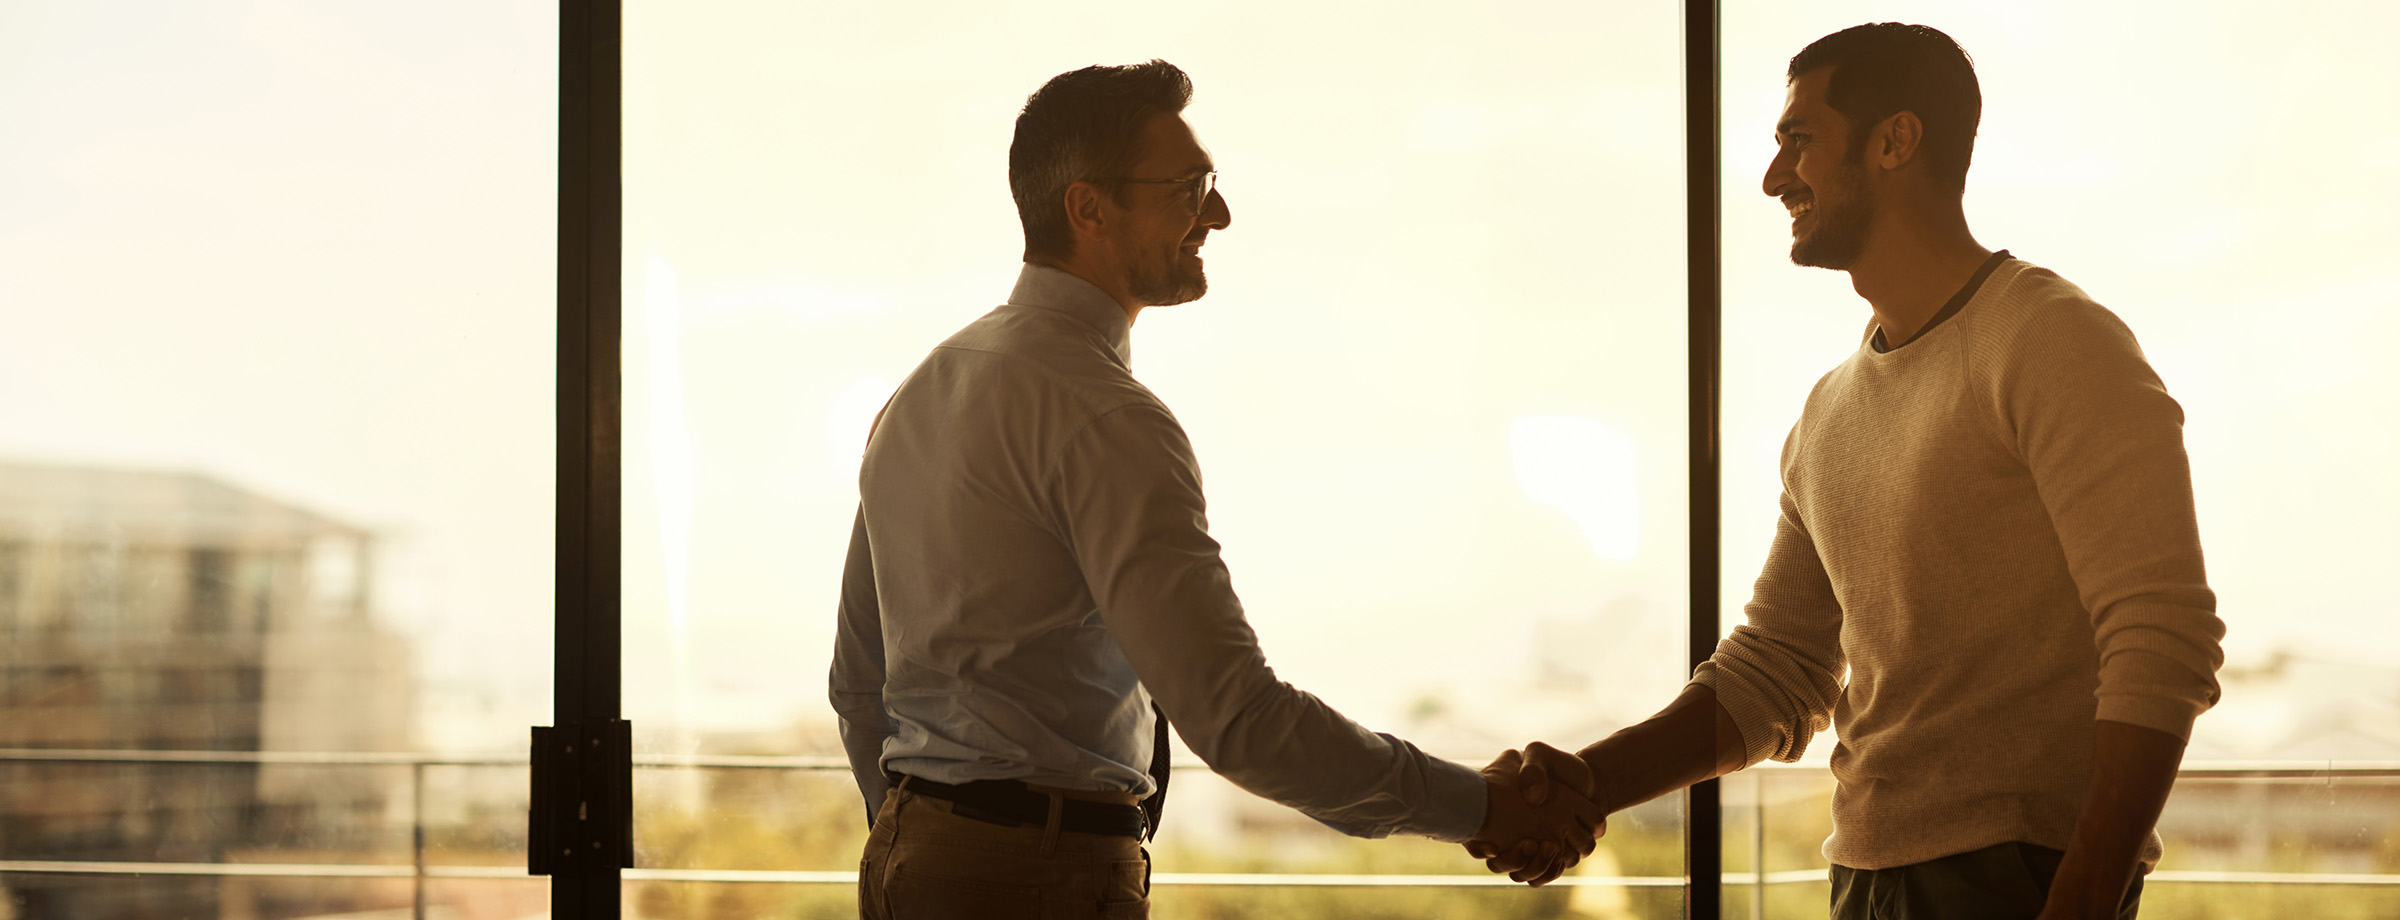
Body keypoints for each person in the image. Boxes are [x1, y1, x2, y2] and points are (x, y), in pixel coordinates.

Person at [1480, 23, 2226, 919]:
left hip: (2014, 880)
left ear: (1893, 142)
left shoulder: (2054, 343)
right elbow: (1776, 669)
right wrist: (1586, 779)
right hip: (1865, 879)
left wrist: (2086, 892)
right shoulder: (1828, 413)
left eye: (1799, 140)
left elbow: (2162, 633)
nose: (1772, 177)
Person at [830, 60, 1601, 919]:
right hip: (1037, 879)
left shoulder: (923, 390)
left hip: (913, 858)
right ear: (1088, 208)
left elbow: (860, 688)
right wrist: (1483, 807)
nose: (1220, 214)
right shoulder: (1106, 420)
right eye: (1190, 187)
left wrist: (921, 836)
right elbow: (1238, 719)